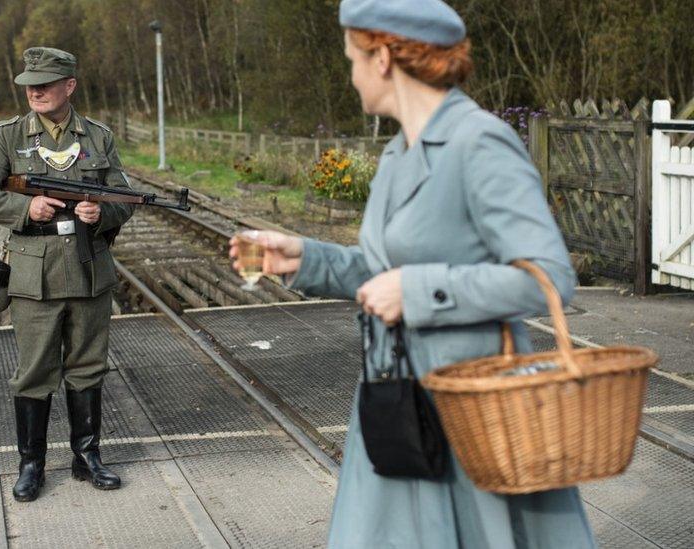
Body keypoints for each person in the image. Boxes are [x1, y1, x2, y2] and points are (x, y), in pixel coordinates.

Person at [230, 0, 596, 547]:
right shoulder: (399, 152)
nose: (350, 75)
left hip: (473, 413)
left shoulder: (480, 142)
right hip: (399, 401)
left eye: (352, 58)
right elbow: (385, 272)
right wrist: (305, 258)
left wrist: (421, 291)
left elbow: (548, 276)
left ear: (381, 58)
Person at [0, 47, 134, 502]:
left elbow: (123, 198)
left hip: (89, 270)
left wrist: (103, 214)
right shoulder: (8, 137)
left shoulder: (97, 137)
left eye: (45, 82)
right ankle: (31, 465)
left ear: (69, 86)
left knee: (88, 367)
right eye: (29, 83)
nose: (34, 90)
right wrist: (24, 208)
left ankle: (87, 457)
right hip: (34, 279)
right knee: (34, 372)